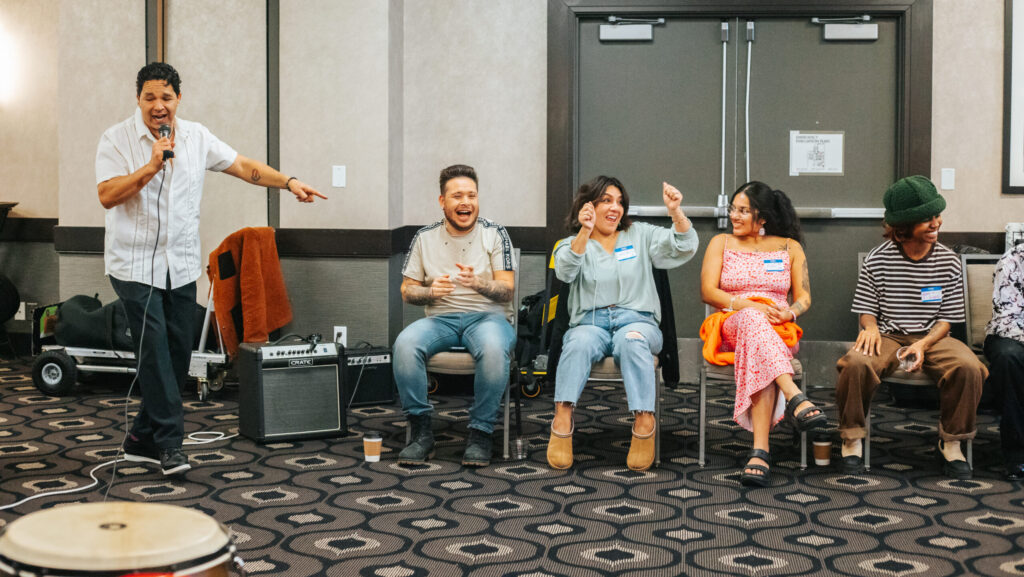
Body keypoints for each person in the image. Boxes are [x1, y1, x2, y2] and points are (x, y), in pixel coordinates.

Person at [96, 62, 325, 475]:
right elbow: (107, 195)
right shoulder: (116, 139)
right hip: (132, 266)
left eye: (166, 97)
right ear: (138, 99)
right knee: (155, 352)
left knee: (177, 355)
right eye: (150, 97)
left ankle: (140, 439)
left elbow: (244, 166)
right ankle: (170, 444)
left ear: (178, 99)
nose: (159, 105)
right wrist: (150, 167)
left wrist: (289, 182)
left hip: (181, 266)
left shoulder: (196, 137)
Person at [836, 175, 985, 478]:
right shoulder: (877, 260)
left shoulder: (948, 261)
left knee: (969, 367)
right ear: (904, 226)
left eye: (937, 215)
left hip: (934, 337)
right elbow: (867, 311)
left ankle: (951, 442)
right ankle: (852, 437)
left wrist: (922, 344)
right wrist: (870, 328)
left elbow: (946, 320)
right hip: (887, 335)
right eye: (927, 219)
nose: (936, 223)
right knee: (855, 363)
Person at [546, 176, 698, 472]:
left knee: (632, 340)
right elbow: (564, 272)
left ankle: (644, 420)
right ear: (587, 206)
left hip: (637, 321)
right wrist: (584, 232)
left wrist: (675, 212)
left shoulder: (640, 235)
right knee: (577, 342)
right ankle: (562, 417)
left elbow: (684, 245)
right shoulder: (570, 244)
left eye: (619, 202)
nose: (615, 207)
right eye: (606, 200)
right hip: (590, 323)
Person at [393, 164, 517, 467]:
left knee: (493, 348)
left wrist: (479, 283)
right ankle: (421, 433)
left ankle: (481, 433)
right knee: (404, 345)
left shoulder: (495, 233)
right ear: (442, 201)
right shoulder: (424, 237)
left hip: (488, 318)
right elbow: (407, 290)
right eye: (458, 196)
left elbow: (507, 290)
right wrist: (430, 292)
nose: (466, 203)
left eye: (472, 195)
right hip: (440, 319)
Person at [699, 181, 821, 487]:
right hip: (732, 322)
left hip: (777, 328)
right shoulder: (721, 243)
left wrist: (790, 312)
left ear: (762, 217)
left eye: (743, 211)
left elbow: (804, 297)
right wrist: (748, 306)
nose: (734, 216)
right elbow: (708, 291)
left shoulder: (789, 247)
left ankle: (761, 452)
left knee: (760, 348)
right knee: (753, 320)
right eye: (733, 209)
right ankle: (794, 395)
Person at [983, 242, 1024, 481]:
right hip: (1010, 334)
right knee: (1010, 358)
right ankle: (1017, 453)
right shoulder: (1013, 259)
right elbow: (1007, 315)